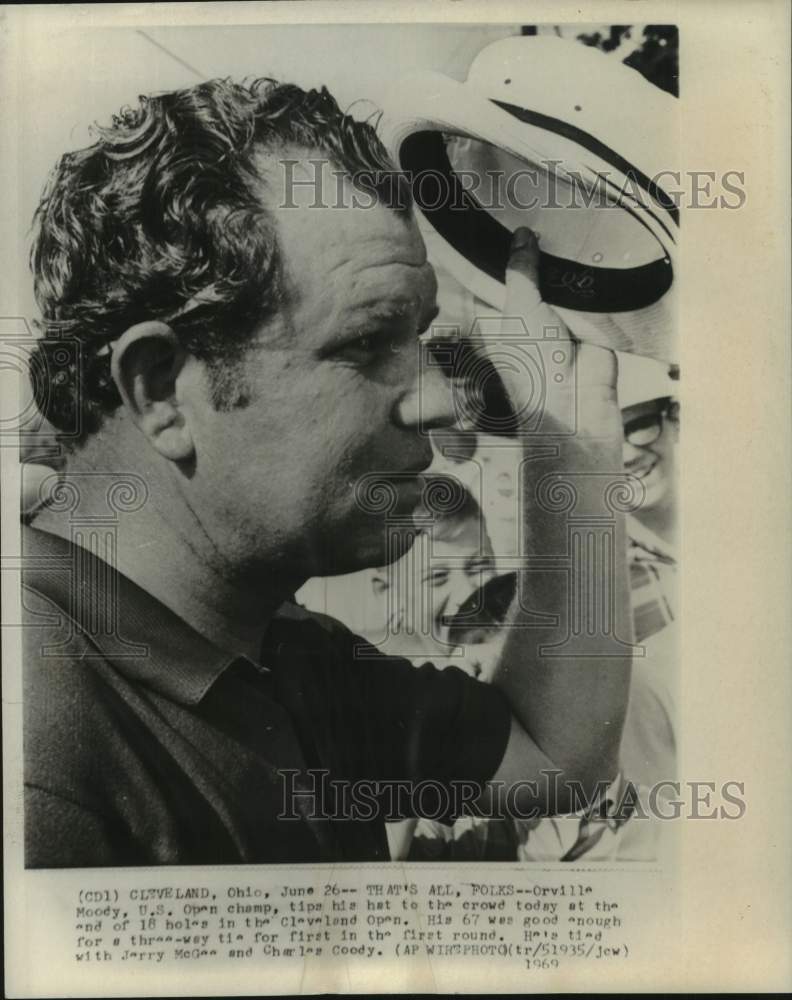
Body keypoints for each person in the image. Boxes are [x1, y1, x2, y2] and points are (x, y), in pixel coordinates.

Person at [22, 78, 632, 867]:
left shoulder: (281, 652)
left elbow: (551, 754)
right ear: (164, 391)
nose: (444, 401)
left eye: (420, 335)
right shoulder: (40, 753)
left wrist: (573, 451)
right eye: (368, 340)